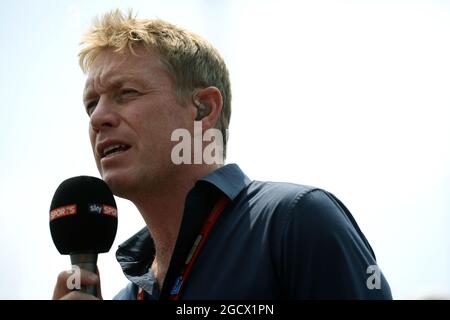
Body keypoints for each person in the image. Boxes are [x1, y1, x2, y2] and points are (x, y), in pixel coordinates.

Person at [53, 9, 392, 300]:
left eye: (125, 93)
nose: (98, 118)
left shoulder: (296, 221)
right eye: (91, 104)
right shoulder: (128, 295)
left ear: (203, 109)